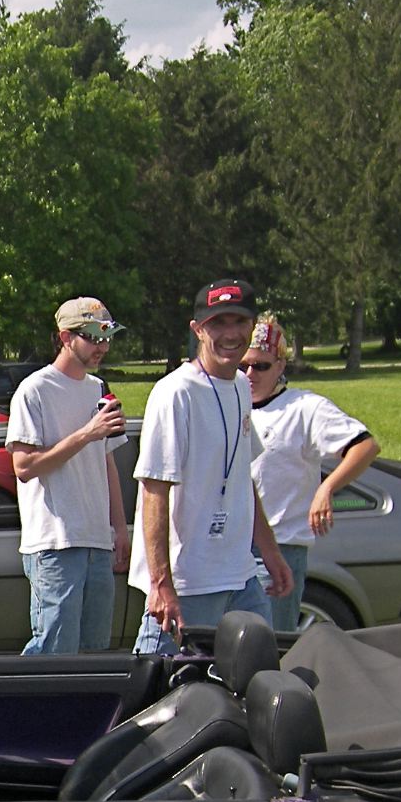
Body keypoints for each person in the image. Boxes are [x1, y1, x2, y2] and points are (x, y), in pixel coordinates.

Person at [129, 278, 292, 654]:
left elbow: (241, 477)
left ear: (253, 326)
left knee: (258, 676)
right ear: (197, 329)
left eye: (239, 321)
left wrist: (269, 551)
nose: (230, 333)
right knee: (159, 685)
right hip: (188, 584)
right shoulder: (175, 393)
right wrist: (161, 584)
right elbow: (154, 491)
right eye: (218, 323)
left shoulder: (240, 386)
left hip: (240, 578)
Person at [6, 297, 131, 654]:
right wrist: (86, 434)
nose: (102, 346)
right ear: (65, 337)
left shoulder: (98, 388)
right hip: (55, 543)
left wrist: (119, 529)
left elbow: (106, 463)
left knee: (94, 653)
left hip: (96, 542)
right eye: (93, 337)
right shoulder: (35, 390)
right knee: (55, 652)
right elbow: (24, 467)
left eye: (107, 337)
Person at [242, 313, 381, 633]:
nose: (249, 374)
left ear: (280, 365)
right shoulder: (229, 403)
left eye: (260, 366)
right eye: (242, 365)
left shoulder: (304, 407)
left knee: (267, 648)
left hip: (277, 550)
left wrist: (326, 488)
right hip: (226, 548)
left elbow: (365, 446)